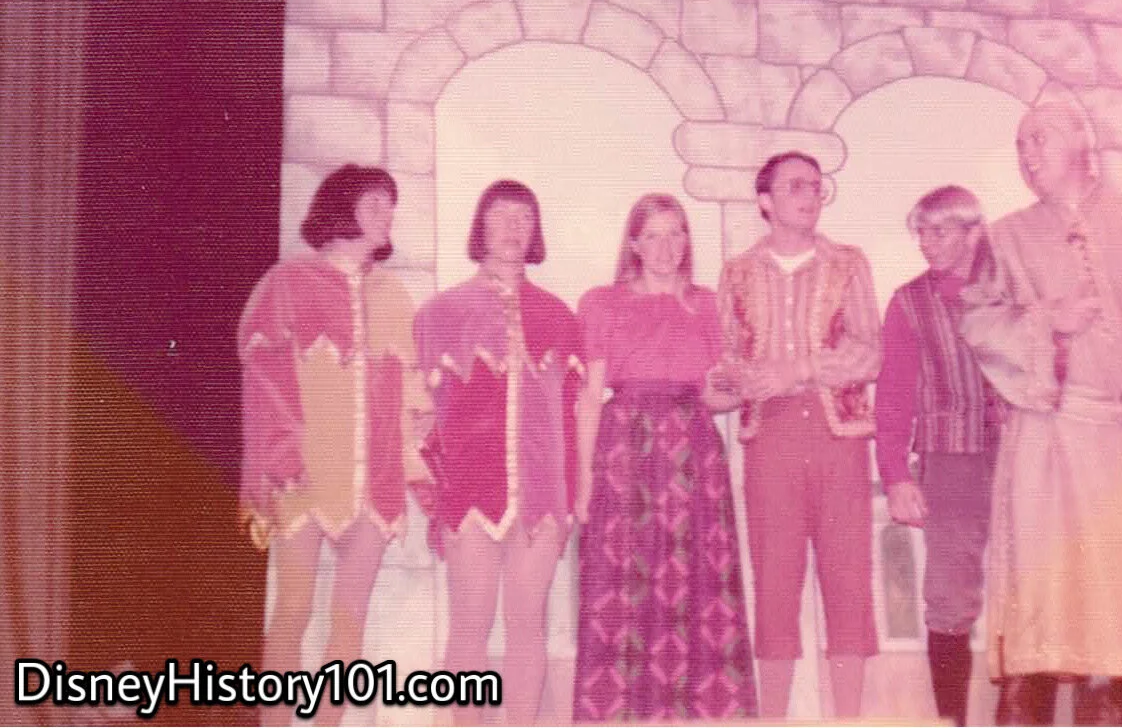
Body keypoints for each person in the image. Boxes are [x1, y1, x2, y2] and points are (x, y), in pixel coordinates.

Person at [959, 103, 1122, 725]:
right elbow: (979, 323)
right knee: (1045, 611)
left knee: (1114, 624)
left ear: (1083, 142)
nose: (1027, 154)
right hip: (1051, 442)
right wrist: (1045, 323)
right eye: (1019, 144)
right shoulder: (1004, 238)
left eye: (1039, 139)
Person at [238, 164, 420, 725]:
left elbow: (407, 396)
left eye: (391, 206)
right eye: (374, 204)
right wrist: (280, 454)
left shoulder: (394, 295)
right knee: (292, 611)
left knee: (349, 620)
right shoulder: (288, 281)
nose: (387, 215)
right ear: (341, 209)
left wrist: (414, 469)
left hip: (374, 481)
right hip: (305, 471)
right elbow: (264, 375)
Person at [572, 193, 758, 722]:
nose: (665, 246)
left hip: (694, 451)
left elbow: (716, 396)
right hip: (624, 450)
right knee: (622, 586)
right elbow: (591, 396)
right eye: (652, 234)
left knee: (699, 583)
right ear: (633, 243)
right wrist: (584, 486)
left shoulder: (708, 304)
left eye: (675, 233)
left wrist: (744, 387)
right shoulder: (602, 303)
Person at [715, 151, 882, 720]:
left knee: (848, 583)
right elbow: (728, 360)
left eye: (816, 186)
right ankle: (774, 719)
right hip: (771, 444)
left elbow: (869, 353)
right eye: (795, 187)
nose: (809, 196)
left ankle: (849, 718)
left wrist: (799, 370)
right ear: (765, 201)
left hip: (839, 440)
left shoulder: (848, 263)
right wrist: (735, 382)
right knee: (776, 587)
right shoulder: (736, 272)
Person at [413, 180, 582, 725]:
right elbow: (421, 420)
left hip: (543, 495)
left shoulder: (559, 316)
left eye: (525, 218)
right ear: (480, 227)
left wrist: (573, 496)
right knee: (470, 620)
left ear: (535, 232)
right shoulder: (439, 313)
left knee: (527, 620)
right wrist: (434, 492)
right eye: (502, 216)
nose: (514, 227)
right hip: (469, 493)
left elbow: (572, 418)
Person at [874, 185, 1001, 727]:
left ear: (975, 232)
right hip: (950, 463)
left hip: (1023, 455)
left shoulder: (1011, 289)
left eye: (939, 231)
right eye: (920, 232)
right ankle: (952, 720)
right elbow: (893, 396)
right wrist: (897, 474)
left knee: (1024, 590)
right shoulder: (908, 302)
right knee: (948, 597)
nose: (926, 243)